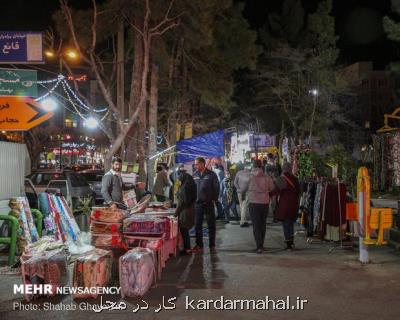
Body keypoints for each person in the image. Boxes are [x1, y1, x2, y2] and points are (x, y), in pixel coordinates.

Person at [244, 159, 274, 254]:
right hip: (264, 202)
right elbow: (272, 188)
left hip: (253, 202)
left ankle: (259, 246)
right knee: (262, 224)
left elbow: (243, 188)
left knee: (256, 225)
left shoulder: (249, 176)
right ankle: (262, 244)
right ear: (261, 166)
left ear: (253, 166)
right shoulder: (267, 177)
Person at [192, 157, 220, 254]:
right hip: (198, 204)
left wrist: (214, 199)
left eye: (197, 164)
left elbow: (217, 188)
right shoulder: (194, 175)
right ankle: (199, 245)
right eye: (195, 164)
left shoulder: (211, 175)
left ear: (203, 164)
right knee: (197, 225)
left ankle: (212, 245)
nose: (195, 166)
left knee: (211, 225)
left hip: (208, 204)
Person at [271, 162, 300, 250]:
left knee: (286, 224)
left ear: (283, 168)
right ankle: (291, 241)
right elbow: (299, 191)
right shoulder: (295, 179)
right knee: (290, 223)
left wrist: (267, 194)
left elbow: (275, 191)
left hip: (284, 204)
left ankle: (289, 244)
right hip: (294, 204)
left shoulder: (281, 179)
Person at [175, 164, 197, 255]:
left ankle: (187, 249)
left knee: (184, 231)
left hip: (184, 212)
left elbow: (181, 203)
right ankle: (187, 248)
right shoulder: (191, 186)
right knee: (185, 231)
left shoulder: (183, 189)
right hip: (191, 210)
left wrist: (175, 213)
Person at [234, 162, 252, 227]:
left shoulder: (239, 173)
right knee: (244, 206)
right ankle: (242, 222)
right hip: (246, 193)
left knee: (242, 206)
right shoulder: (250, 174)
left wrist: (238, 189)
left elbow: (235, 182)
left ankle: (245, 220)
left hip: (240, 192)